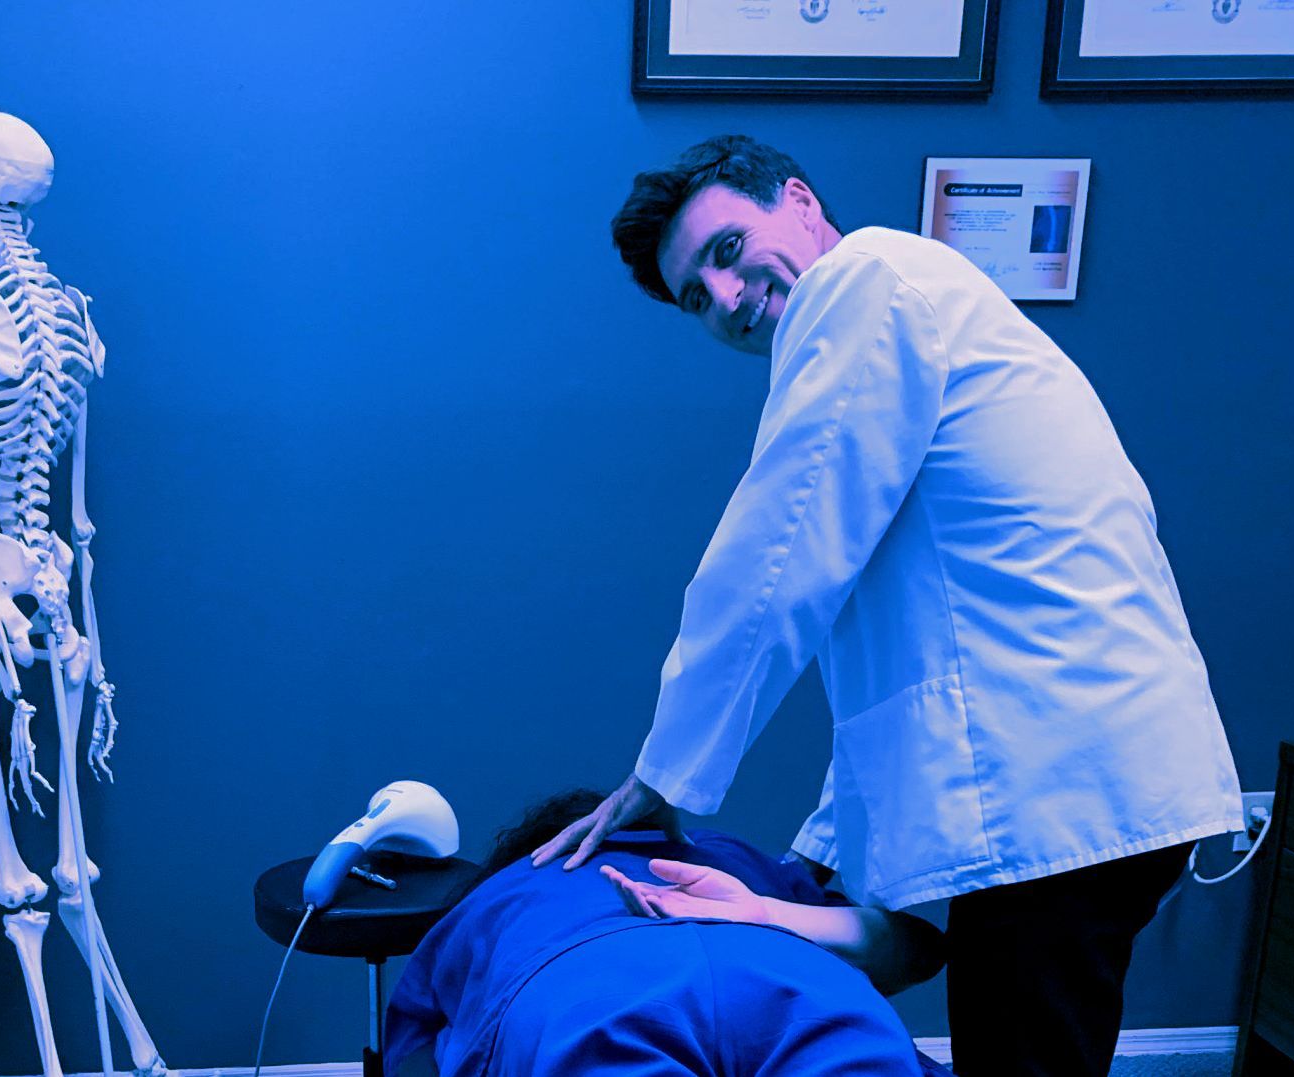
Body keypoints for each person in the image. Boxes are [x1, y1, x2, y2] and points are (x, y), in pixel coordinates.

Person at [528, 135, 1244, 1076]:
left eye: (727, 250)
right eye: (698, 297)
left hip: (1059, 775)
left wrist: (662, 781)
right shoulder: (912, 306)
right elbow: (899, 657)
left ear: (797, 200)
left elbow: (774, 554)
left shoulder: (867, 281)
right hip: (1071, 767)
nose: (729, 299)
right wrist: (817, 867)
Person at [386, 789, 950, 1076]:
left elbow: (416, 1038)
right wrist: (775, 915)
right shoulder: (731, 860)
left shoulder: (509, 884)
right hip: (797, 981)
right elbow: (922, 950)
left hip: (592, 994)